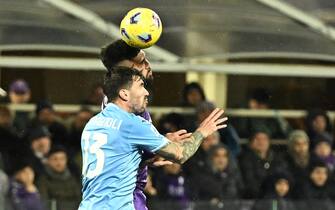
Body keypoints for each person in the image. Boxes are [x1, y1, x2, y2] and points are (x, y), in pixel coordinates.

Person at [79, 66, 227, 209]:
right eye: (141, 86)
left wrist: (147, 159)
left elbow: (113, 161)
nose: (146, 92)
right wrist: (202, 131)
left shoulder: (93, 123)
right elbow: (181, 154)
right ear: (124, 94)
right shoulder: (133, 123)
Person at [100, 39, 190, 210]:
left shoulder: (113, 108)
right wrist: (204, 130)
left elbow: (122, 152)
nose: (148, 64)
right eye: (141, 61)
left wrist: (147, 156)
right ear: (126, 67)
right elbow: (180, 154)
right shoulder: (128, 111)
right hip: (125, 198)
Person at [190, 144, 243, 209]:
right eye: (217, 156)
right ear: (211, 158)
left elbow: (240, 194)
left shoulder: (234, 174)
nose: (221, 159)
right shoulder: (202, 175)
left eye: (224, 156)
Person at [239, 130, 286, 198]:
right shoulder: (244, 159)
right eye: (257, 139)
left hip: (274, 196)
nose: (261, 142)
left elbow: (282, 177)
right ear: (251, 142)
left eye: (264, 139)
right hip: (253, 198)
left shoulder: (277, 159)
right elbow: (249, 182)